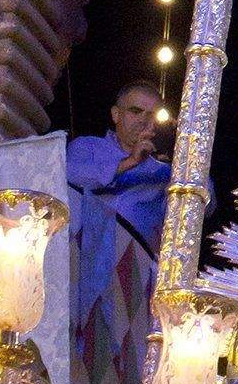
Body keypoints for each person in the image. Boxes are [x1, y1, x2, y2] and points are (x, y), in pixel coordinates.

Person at [66, 78, 172, 259]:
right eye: (136, 111)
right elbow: (68, 177)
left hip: (133, 275)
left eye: (152, 114)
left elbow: (205, 202)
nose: (144, 120)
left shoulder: (163, 172)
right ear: (116, 114)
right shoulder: (87, 147)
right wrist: (130, 162)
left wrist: (183, 152)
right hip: (79, 261)